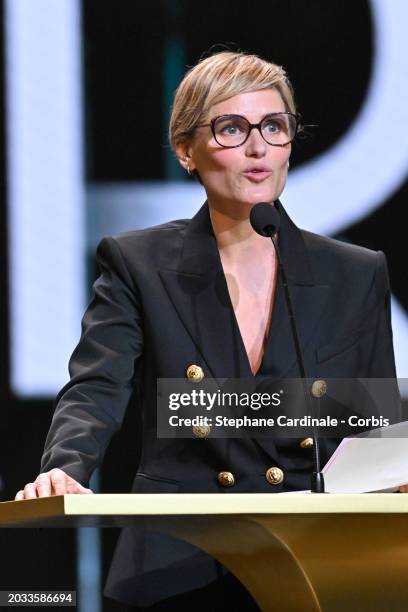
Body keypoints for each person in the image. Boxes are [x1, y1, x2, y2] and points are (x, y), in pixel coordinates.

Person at [15, 51, 403, 610]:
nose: (257, 147)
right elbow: (97, 388)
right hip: (179, 562)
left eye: (274, 126)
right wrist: (63, 467)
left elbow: (375, 426)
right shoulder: (138, 263)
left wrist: (394, 475)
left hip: (311, 563)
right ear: (185, 150)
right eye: (231, 128)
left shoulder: (355, 272)